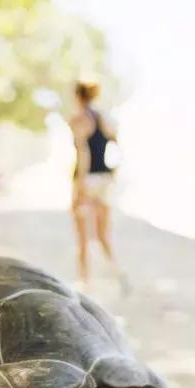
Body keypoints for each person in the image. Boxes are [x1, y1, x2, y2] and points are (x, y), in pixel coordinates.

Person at [68, 80, 126, 292]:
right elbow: (117, 147)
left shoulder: (79, 119)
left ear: (77, 96)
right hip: (105, 180)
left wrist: (80, 186)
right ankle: (117, 273)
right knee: (103, 235)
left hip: (88, 179)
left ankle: (84, 282)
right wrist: (113, 174)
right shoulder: (104, 119)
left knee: (82, 233)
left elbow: (83, 152)